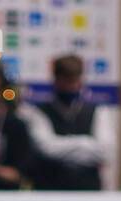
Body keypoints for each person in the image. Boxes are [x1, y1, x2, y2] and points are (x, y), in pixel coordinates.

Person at [17, 54, 105, 190]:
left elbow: (105, 151)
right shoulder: (39, 112)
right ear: (56, 80)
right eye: (67, 80)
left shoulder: (97, 111)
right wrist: (85, 143)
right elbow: (47, 148)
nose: (71, 86)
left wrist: (63, 146)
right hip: (49, 190)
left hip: (88, 191)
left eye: (74, 80)